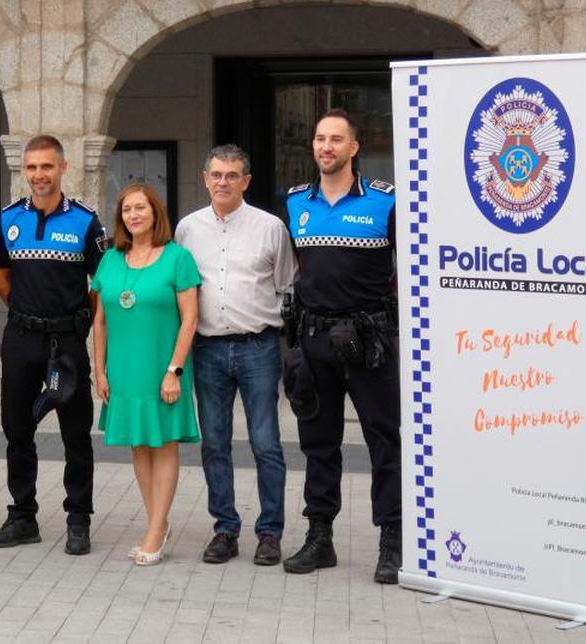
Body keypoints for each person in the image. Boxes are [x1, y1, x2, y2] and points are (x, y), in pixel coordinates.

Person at [282, 108, 401, 584]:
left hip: (369, 341)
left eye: (336, 139)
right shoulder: (294, 203)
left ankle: (391, 543)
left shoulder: (385, 202)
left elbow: (410, 269)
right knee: (319, 444)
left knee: (384, 442)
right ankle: (319, 539)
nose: (326, 147)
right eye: (319, 139)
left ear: (355, 148)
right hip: (314, 342)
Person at [175, 144, 295, 566]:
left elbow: (284, 283)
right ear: (205, 178)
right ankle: (225, 528)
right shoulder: (187, 229)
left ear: (247, 180)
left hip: (258, 347)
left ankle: (270, 533)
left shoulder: (270, 228)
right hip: (207, 349)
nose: (223, 182)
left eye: (232, 175)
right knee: (214, 444)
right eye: (216, 174)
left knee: (266, 444)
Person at [0, 135, 106, 555]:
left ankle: (78, 519)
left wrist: (79, 323)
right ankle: (23, 516)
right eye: (32, 167)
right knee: (17, 430)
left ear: (63, 169)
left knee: (76, 434)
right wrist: (25, 311)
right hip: (21, 338)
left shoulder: (86, 221)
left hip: (67, 342)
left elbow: (100, 283)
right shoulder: (6, 220)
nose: (39, 175)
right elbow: (1, 276)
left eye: (47, 167)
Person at [91, 182, 200, 566]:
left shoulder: (177, 258)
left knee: (164, 444)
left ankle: (154, 531)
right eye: (126, 210)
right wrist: (99, 370)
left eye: (141, 208)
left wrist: (174, 370)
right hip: (124, 369)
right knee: (139, 444)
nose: (134, 215)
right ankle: (159, 522)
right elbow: (100, 321)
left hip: (163, 368)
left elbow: (190, 319)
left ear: (155, 212)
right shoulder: (110, 260)